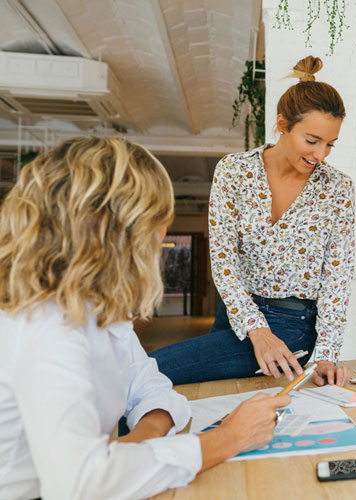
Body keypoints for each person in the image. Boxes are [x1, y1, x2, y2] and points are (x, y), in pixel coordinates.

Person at [0, 137, 290, 500]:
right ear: (108, 233)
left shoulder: (98, 309)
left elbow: (151, 386)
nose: (160, 236)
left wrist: (136, 449)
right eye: (153, 222)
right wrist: (228, 438)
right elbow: (82, 484)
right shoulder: (43, 327)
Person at [150, 56, 354, 387]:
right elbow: (224, 260)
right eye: (312, 141)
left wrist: (326, 355)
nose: (321, 155)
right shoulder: (234, 171)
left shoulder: (337, 188)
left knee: (151, 368)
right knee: (188, 394)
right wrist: (256, 329)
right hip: (236, 318)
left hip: (293, 325)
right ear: (283, 125)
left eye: (330, 144)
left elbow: (337, 277)